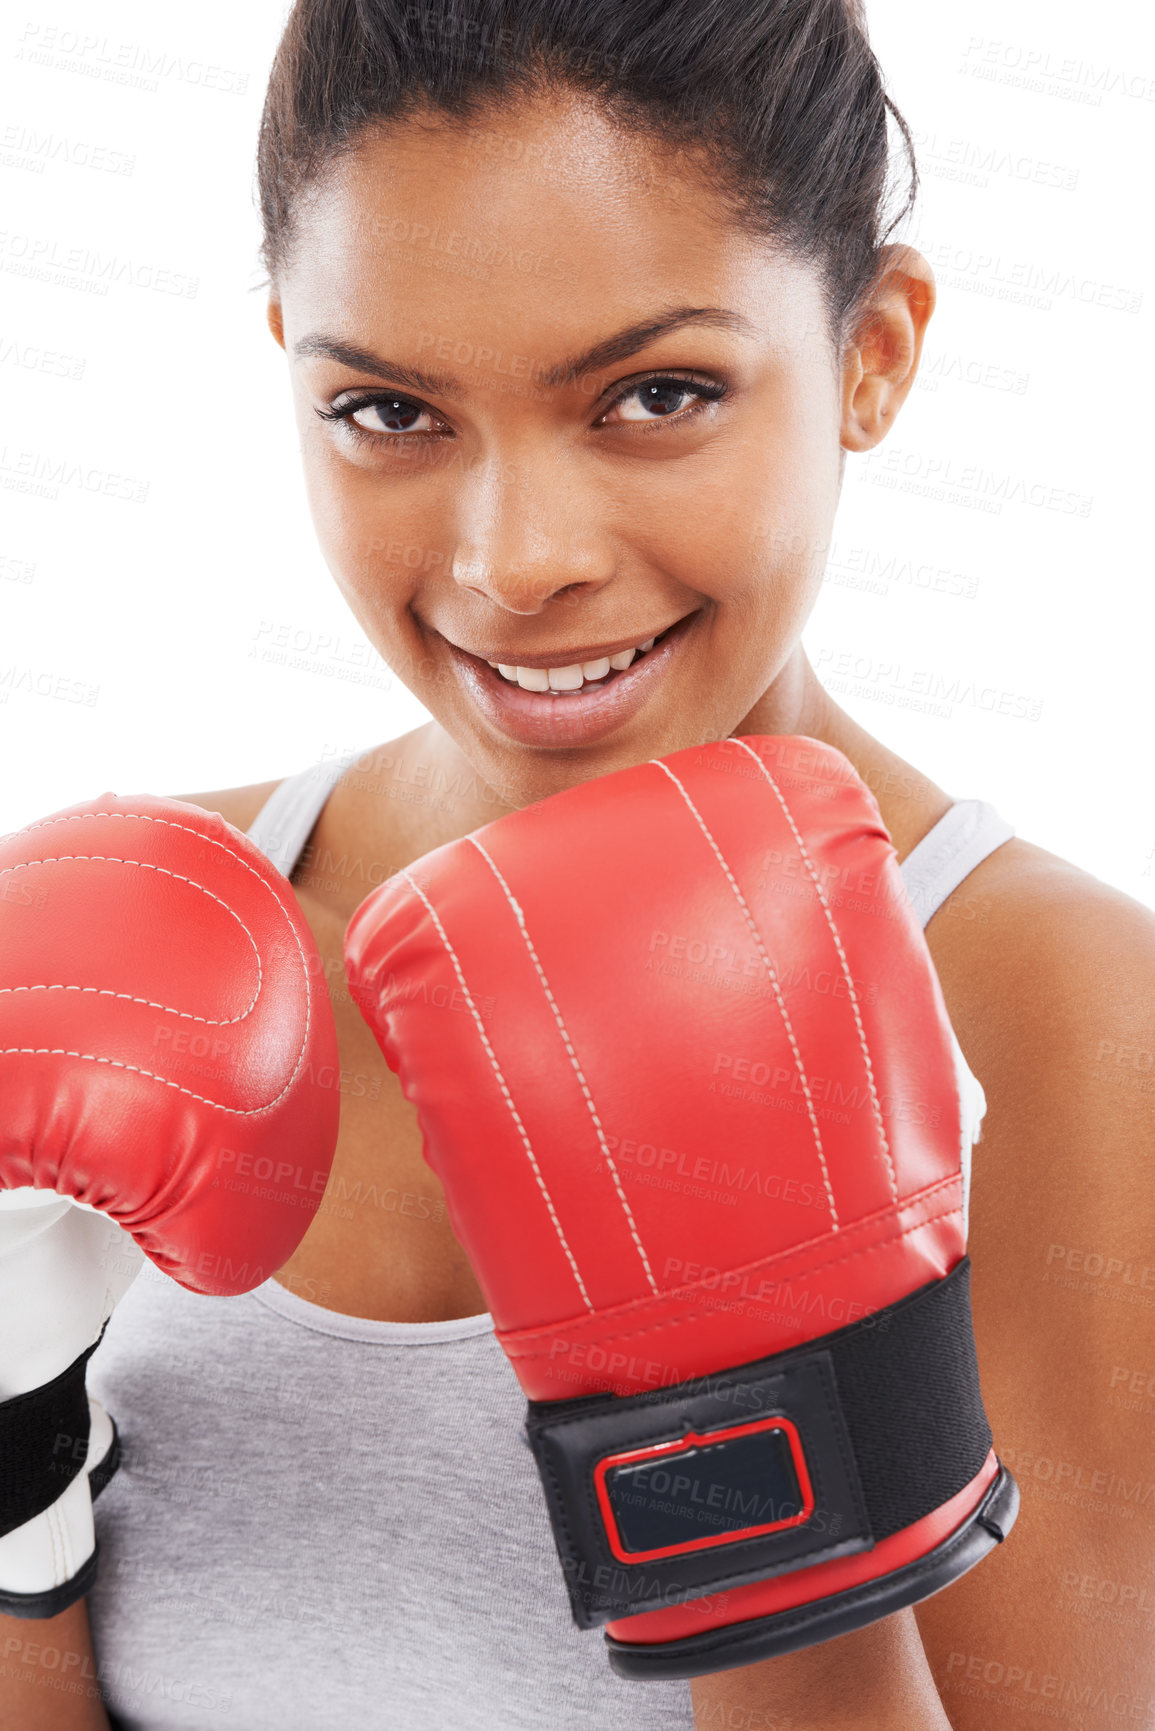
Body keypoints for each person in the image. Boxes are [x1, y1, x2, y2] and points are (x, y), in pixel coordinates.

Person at [2, 0, 1152, 1725]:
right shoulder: (107, 951)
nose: (515, 559)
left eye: (654, 395)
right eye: (390, 413)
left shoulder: (1079, 1029)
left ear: (875, 352)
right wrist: (18, 1485)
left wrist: (759, 1447)